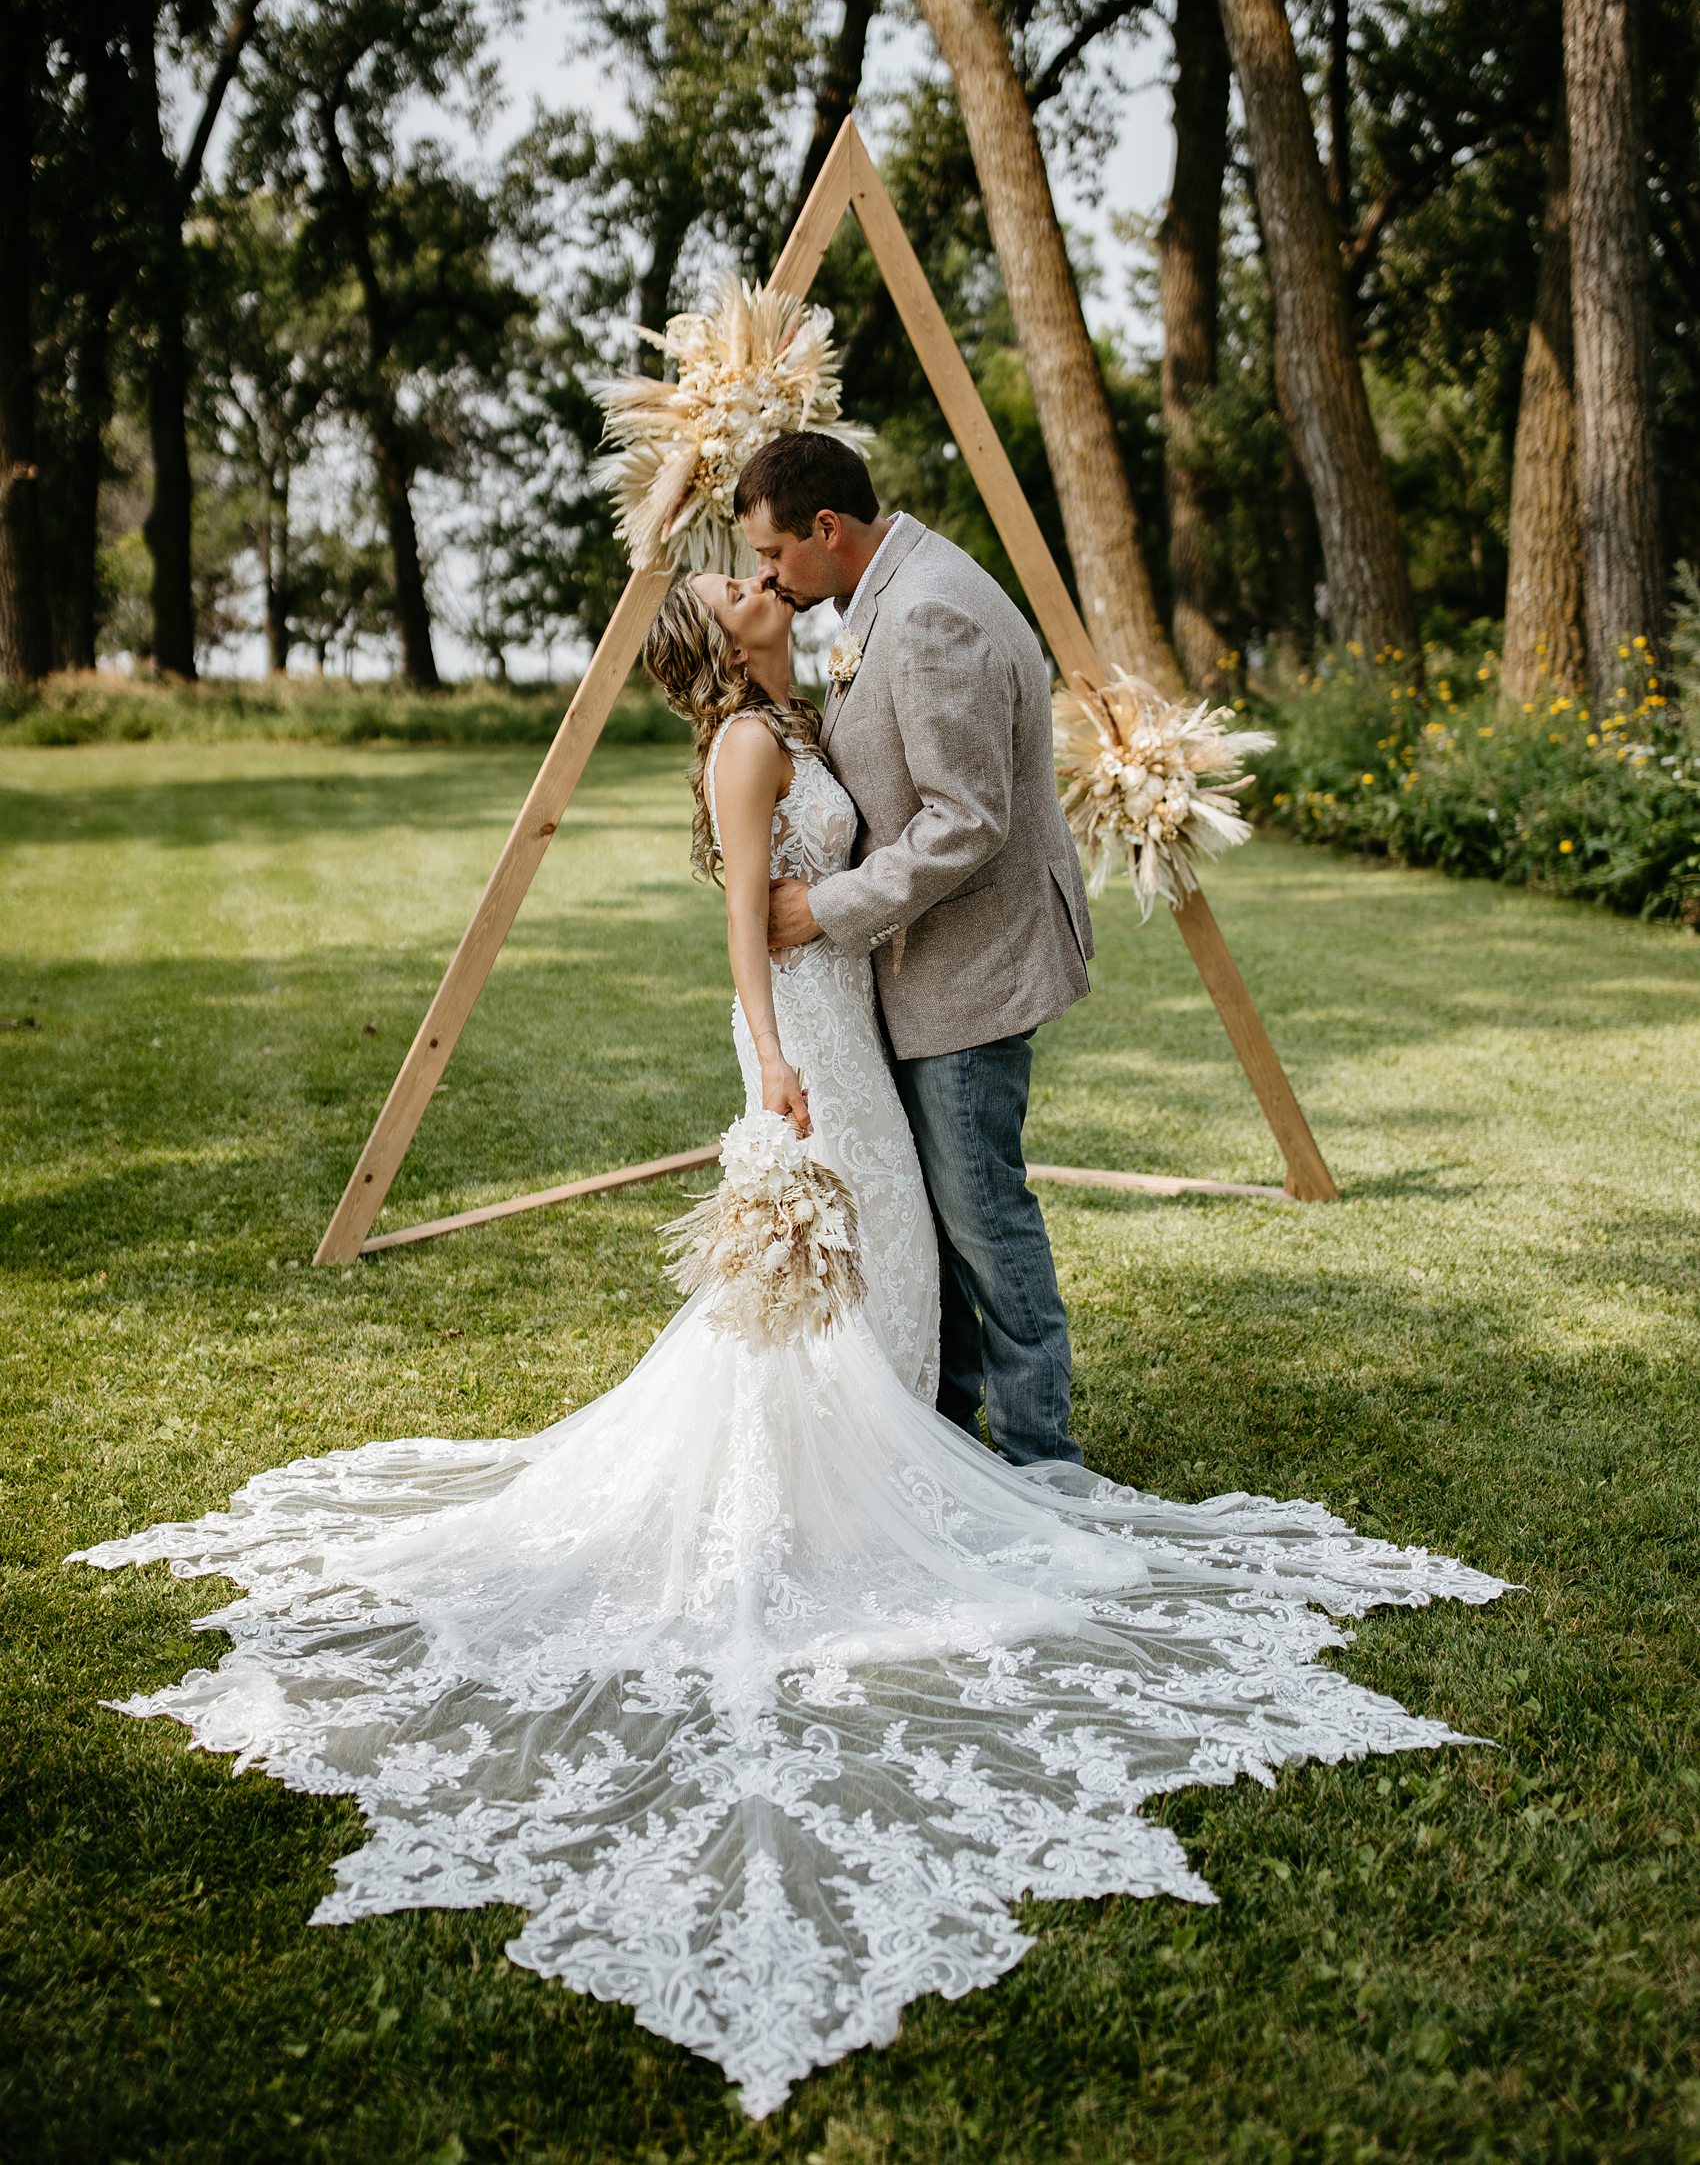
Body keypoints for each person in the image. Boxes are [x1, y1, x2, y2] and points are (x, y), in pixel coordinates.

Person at [69, 561, 1506, 2121]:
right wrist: (771, 1065)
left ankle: (882, 1455)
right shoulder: (747, 746)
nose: (762, 580)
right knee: (851, 1259)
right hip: (808, 1033)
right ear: (718, 634)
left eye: (762, 563)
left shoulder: (791, 710)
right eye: (736, 581)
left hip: (854, 1023)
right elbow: (747, 931)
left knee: (890, 1256)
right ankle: (831, 1492)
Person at [733, 431, 1093, 1468]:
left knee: (982, 1220)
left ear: (827, 530)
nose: (765, 575)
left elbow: (965, 820)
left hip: (970, 968)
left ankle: (1038, 1461)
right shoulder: (881, 593)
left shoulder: (929, 610)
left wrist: (824, 909)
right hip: (923, 965)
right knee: (939, 1222)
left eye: (770, 555)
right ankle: (950, 1438)